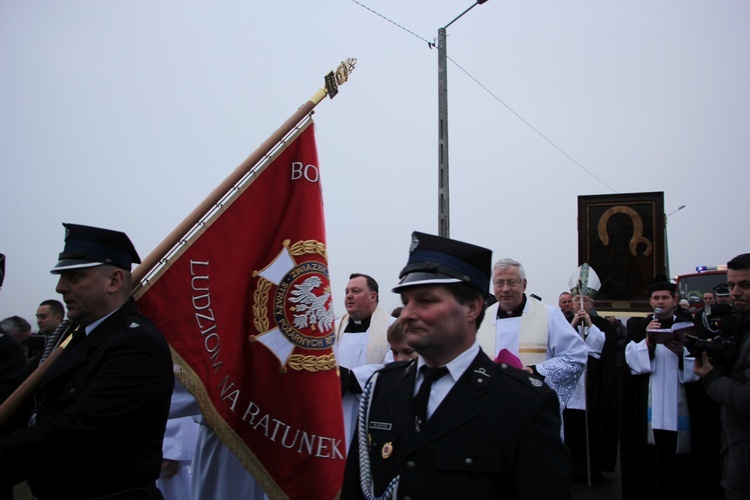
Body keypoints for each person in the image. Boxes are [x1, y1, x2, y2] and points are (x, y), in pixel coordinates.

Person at [341, 231, 571, 499]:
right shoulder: (382, 387)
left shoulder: (523, 401)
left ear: (472, 307)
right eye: (406, 302)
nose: (407, 314)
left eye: (426, 300)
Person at [0, 223, 174, 499]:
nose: (60, 288)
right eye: (60, 277)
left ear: (115, 281)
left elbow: (75, 431)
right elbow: (16, 387)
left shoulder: (137, 345)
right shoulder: (71, 336)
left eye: (74, 277)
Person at [621, 276, 719, 499]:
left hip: (680, 403)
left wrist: (681, 352)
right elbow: (630, 363)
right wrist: (646, 342)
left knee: (679, 459)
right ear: (650, 302)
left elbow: (701, 361)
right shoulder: (639, 328)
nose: (660, 302)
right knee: (651, 457)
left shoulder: (689, 327)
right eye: (656, 298)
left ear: (674, 301)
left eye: (665, 297)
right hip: (651, 404)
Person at [476, 258, 587, 415]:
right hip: (491, 408)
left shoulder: (549, 315)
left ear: (524, 284)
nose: (505, 289)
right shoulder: (481, 319)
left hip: (534, 409)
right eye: (499, 283)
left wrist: (536, 371)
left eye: (512, 282)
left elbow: (576, 357)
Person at [694, 253, 750, 498]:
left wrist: (711, 376)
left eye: (745, 285)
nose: (735, 292)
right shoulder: (739, 325)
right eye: (731, 285)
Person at [564, 284, 619, 483]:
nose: (580, 303)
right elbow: (558, 346)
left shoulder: (602, 325)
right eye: (576, 299)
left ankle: (592, 468)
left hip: (593, 384)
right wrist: (573, 325)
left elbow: (607, 349)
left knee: (592, 426)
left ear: (592, 303)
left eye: (585, 300)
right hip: (571, 384)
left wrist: (589, 324)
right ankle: (570, 467)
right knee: (570, 425)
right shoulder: (562, 323)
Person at [335, 273, 394, 448]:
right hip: (337, 408)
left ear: (373, 296)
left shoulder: (393, 327)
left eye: (355, 291)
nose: (349, 296)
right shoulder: (332, 329)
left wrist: (352, 378)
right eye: (346, 292)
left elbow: (395, 367)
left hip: (371, 409)